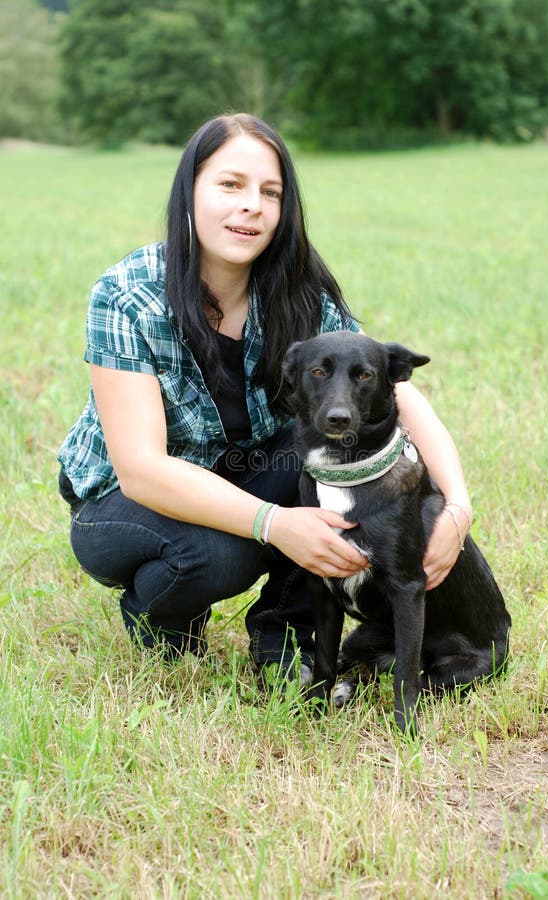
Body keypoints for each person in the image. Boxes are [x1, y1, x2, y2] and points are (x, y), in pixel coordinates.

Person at [57, 112, 472, 682]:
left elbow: (397, 395)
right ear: (189, 192)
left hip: (242, 472)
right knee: (221, 553)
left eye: (269, 192)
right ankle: (158, 615)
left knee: (322, 469)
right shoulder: (129, 294)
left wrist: (456, 505)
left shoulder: (298, 288)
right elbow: (140, 468)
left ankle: (285, 636)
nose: (251, 204)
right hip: (120, 503)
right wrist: (274, 524)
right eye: (230, 184)